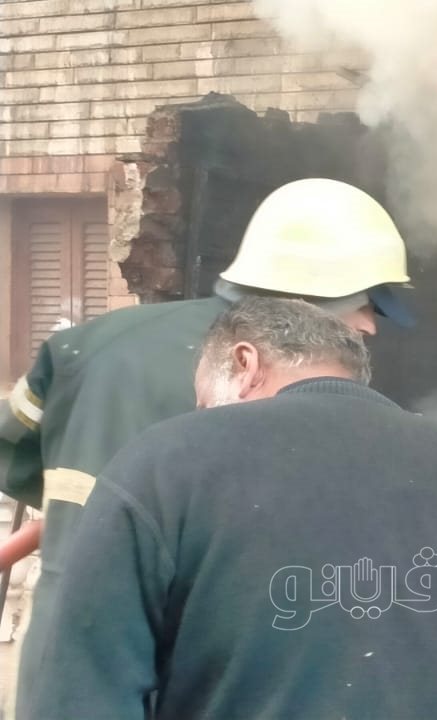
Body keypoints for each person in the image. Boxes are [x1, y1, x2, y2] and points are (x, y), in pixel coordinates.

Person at [23, 298, 437, 719]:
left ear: (245, 363)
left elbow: (81, 695)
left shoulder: (162, 466)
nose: (201, 418)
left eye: (202, 400)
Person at [0, 178, 413, 715]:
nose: (370, 328)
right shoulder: (295, 389)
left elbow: (15, 456)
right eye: (368, 306)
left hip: (62, 674)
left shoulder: (85, 345)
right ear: (314, 294)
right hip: (194, 674)